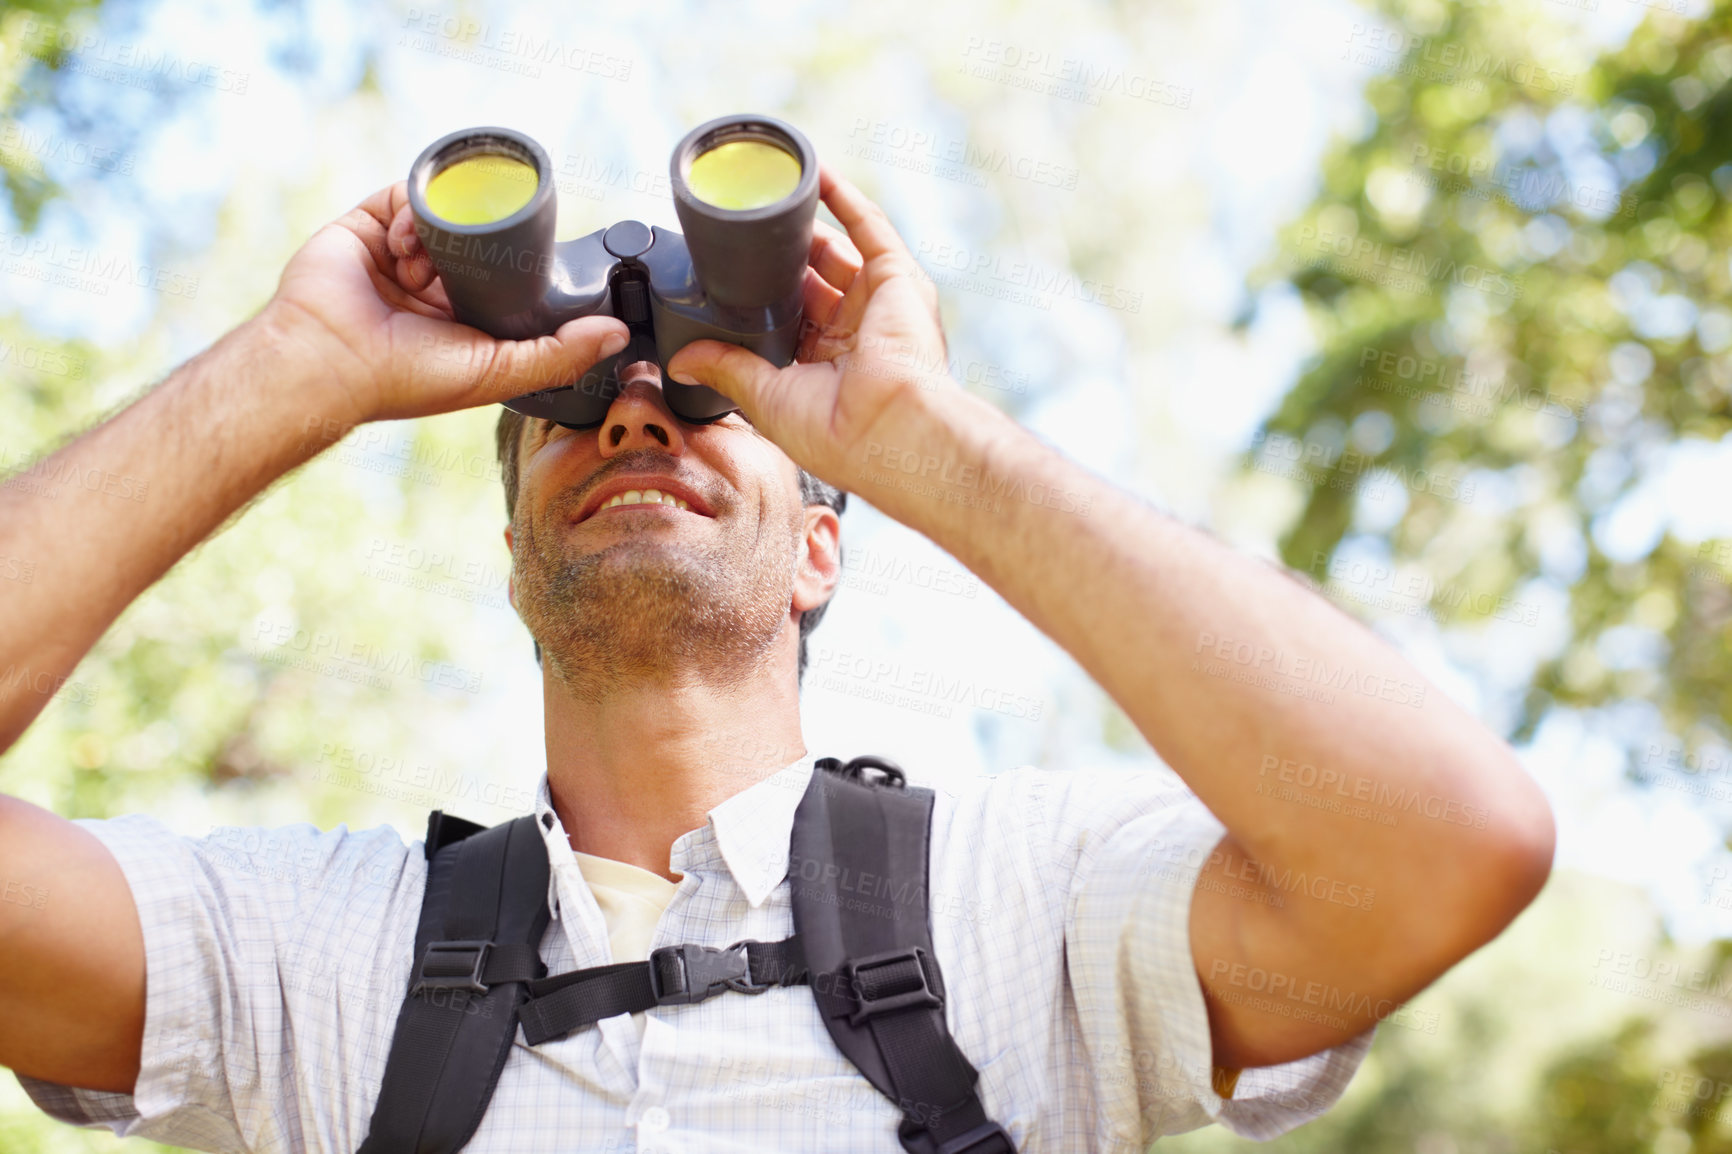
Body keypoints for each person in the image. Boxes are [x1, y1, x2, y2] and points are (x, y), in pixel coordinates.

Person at [0, 161, 1554, 1153]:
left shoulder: (1042, 915)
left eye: (704, 401)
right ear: (515, 567)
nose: (630, 413)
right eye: (579, 408)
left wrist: (922, 443)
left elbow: (1444, 845)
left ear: (826, 544)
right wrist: (299, 372)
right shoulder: (308, 954)